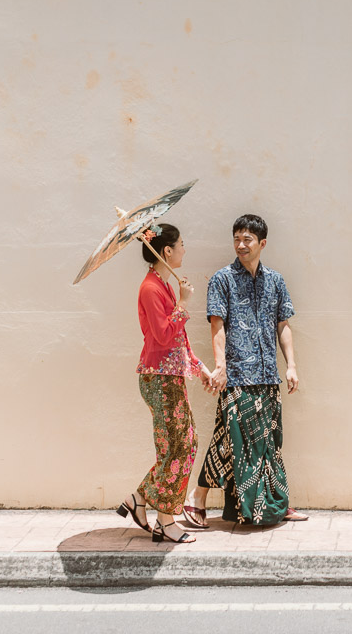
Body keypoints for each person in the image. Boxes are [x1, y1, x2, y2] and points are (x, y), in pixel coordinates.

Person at [182, 214, 308, 528]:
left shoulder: (276, 281)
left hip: (267, 376)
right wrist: (220, 367)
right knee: (228, 440)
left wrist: (291, 365)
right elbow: (217, 326)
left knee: (269, 443)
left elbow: (283, 325)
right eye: (237, 238)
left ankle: (276, 505)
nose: (241, 245)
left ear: (262, 243)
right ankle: (196, 500)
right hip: (236, 375)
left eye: (247, 239)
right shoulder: (222, 279)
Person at [116, 223, 221, 544]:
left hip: (169, 376)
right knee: (181, 447)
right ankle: (164, 519)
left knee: (177, 447)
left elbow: (178, 340)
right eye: (182, 244)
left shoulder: (163, 284)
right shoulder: (150, 288)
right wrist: (185, 303)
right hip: (159, 379)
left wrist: (200, 367)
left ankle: (140, 499)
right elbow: (162, 335)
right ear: (167, 251)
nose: (185, 249)